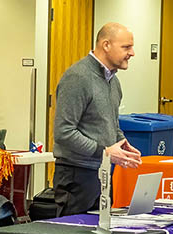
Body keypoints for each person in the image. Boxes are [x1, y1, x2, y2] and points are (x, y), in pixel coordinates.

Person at [52, 22, 142, 216]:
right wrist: (105, 152)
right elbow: (64, 132)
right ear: (106, 45)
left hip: (103, 174)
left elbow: (110, 123)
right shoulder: (77, 78)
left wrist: (121, 143)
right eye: (126, 47)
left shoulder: (113, 82)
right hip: (76, 176)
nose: (132, 53)